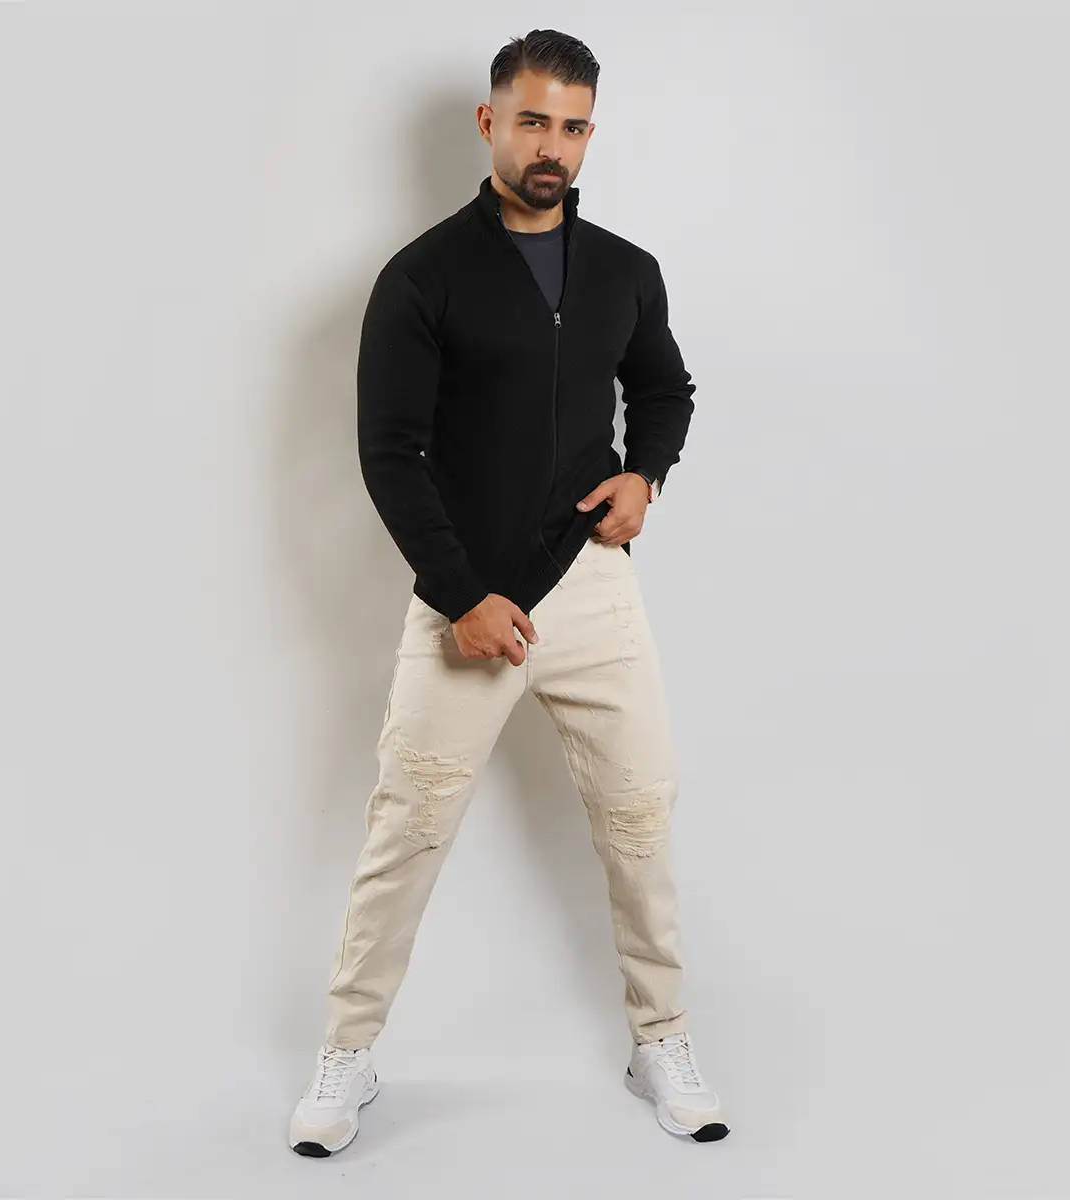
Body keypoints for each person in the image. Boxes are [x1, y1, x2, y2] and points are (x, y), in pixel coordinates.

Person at [290, 28, 728, 1157]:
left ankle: (662, 1037)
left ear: (590, 135)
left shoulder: (625, 270)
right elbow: (388, 453)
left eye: (573, 127)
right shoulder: (422, 276)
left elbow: (666, 388)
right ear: (490, 122)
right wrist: (460, 593)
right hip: (468, 603)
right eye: (533, 120)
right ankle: (347, 1052)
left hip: (593, 587)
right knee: (409, 826)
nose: (552, 147)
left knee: (641, 818)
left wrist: (646, 475)